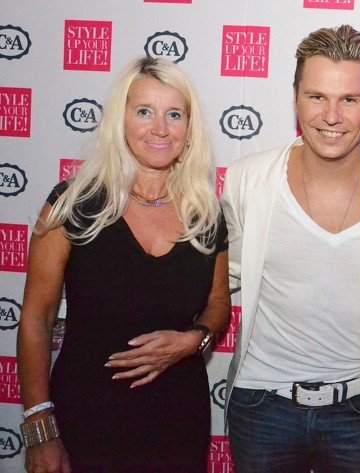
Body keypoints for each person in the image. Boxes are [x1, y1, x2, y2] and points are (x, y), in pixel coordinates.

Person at [221, 25, 360, 473]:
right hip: (261, 406)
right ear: (295, 98)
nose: (332, 116)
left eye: (349, 99)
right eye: (316, 97)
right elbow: (214, 280)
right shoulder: (247, 179)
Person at [17, 57, 230, 473]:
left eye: (175, 114)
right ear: (121, 120)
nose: (160, 128)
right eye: (144, 112)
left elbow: (218, 303)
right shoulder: (73, 204)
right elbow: (36, 319)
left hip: (177, 418)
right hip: (86, 415)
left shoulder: (206, 213)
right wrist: (39, 427)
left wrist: (193, 341)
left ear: (189, 129)